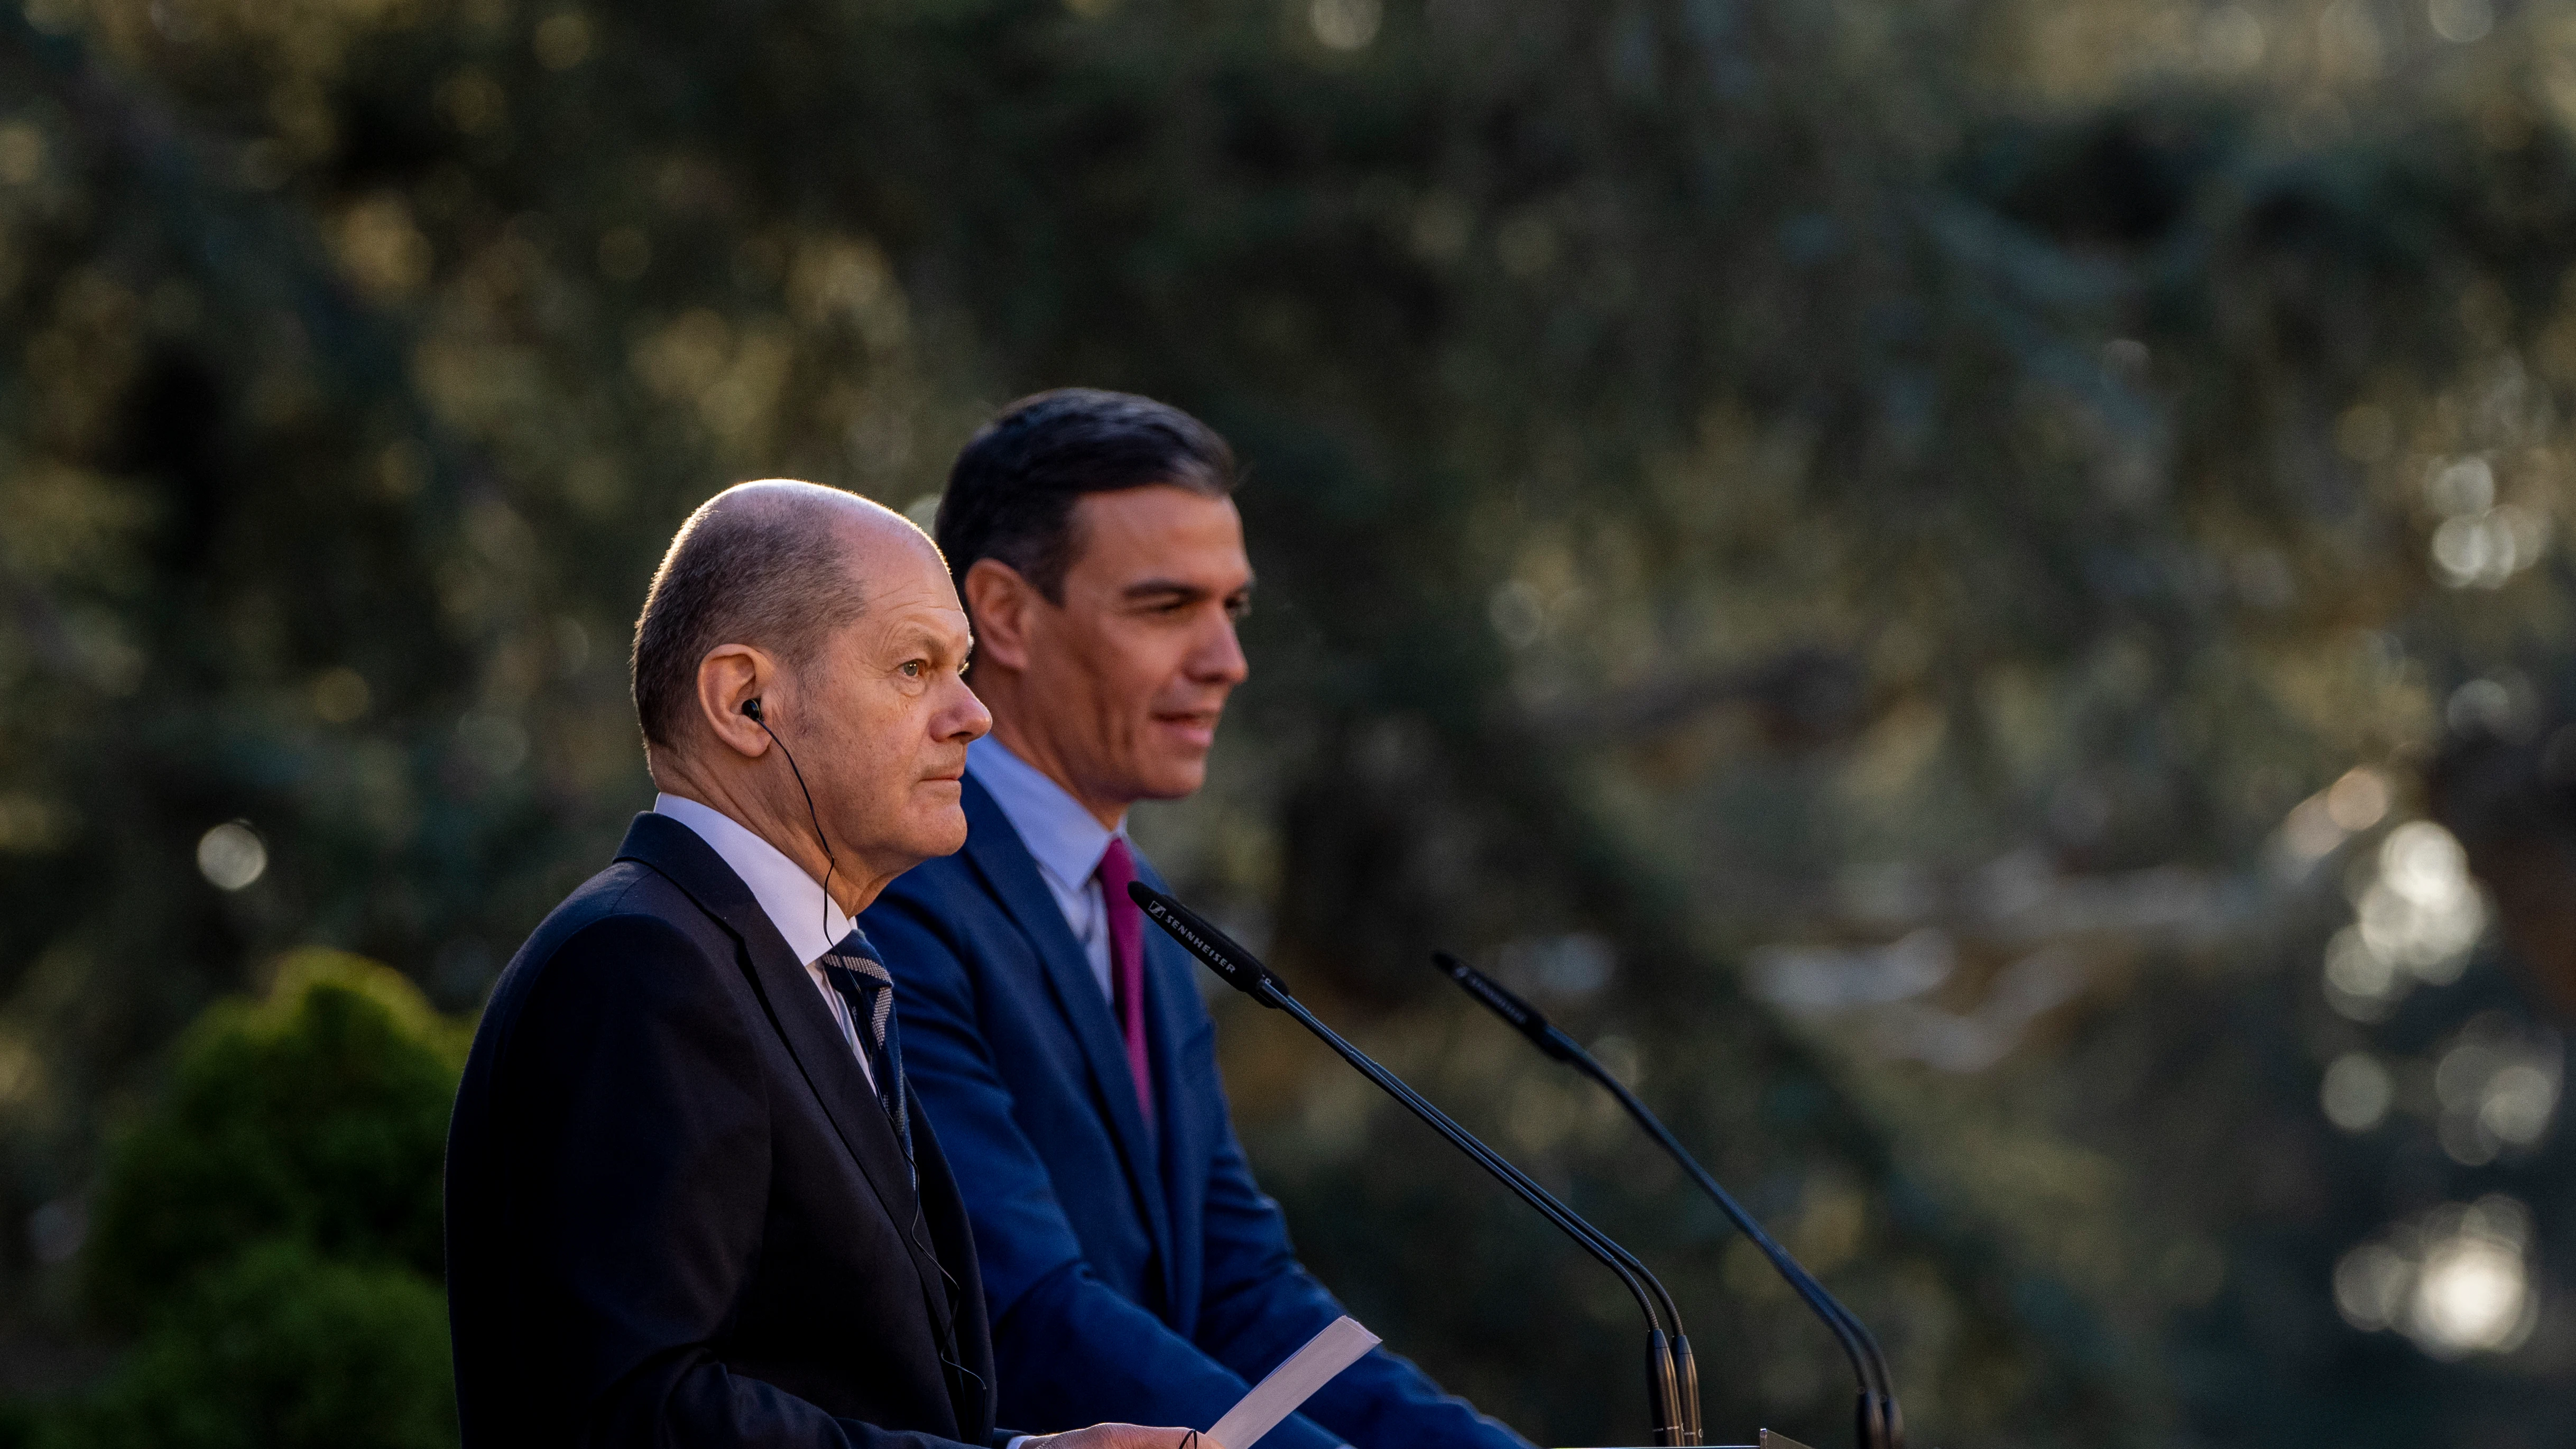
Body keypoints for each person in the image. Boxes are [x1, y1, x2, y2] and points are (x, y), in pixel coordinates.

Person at [445, 479, 1207, 1449]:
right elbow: (636, 1412)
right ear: (745, 702)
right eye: (914, 667)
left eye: (963, 668)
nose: (974, 715)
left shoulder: (810, 970)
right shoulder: (638, 966)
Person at [862, 393, 1532, 1449]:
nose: (1227, 659)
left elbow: (1243, 1295)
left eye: (1234, 608)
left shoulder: (1143, 915)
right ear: (1004, 614)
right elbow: (1027, 1314)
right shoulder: (899, 896)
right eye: (1168, 605)